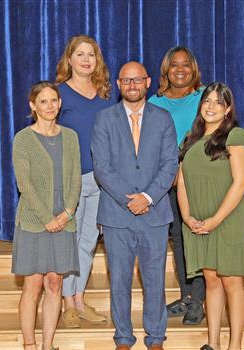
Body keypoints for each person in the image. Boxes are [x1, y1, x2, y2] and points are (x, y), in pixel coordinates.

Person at [91, 62, 178, 350]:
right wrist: (130, 198)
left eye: (137, 80)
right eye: (126, 81)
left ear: (148, 82)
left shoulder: (163, 118)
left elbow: (169, 164)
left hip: (154, 213)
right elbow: (102, 167)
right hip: (117, 214)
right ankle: (123, 339)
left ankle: (155, 338)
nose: (132, 85)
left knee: (155, 281)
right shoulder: (104, 119)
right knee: (119, 281)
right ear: (118, 84)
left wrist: (148, 198)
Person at [177, 82, 244, 350]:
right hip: (198, 222)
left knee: (232, 281)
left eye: (217, 102)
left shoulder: (236, 136)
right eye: (206, 101)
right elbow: (182, 182)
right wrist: (187, 217)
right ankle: (213, 344)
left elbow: (241, 183)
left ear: (228, 108)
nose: (210, 107)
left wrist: (216, 220)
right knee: (211, 281)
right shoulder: (190, 138)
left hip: (226, 220)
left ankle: (235, 346)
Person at [12, 81, 81, 350]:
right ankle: (29, 344)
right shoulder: (23, 139)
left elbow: (76, 177)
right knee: (34, 285)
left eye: (54, 100)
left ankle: (48, 344)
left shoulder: (71, 137)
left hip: (64, 222)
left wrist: (67, 213)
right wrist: (46, 218)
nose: (50, 106)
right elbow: (24, 184)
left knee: (55, 283)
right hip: (33, 223)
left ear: (60, 103)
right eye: (43, 101)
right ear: (33, 106)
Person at [55, 34, 113, 328]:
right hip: (69, 181)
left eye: (91, 54)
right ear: (70, 59)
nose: (86, 59)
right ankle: (67, 304)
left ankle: (79, 299)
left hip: (99, 181)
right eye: (80, 54)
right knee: (69, 242)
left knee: (89, 241)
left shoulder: (105, 94)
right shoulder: (58, 93)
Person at [148, 46, 206, 325]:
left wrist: (182, 168)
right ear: (166, 71)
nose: (180, 70)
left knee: (198, 236)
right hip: (165, 182)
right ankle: (186, 296)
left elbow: (212, 138)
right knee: (179, 240)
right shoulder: (155, 103)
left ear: (193, 69)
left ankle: (199, 299)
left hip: (198, 180)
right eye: (174, 65)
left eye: (185, 65)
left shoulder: (204, 98)